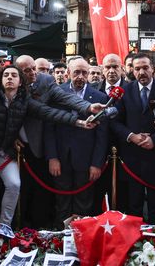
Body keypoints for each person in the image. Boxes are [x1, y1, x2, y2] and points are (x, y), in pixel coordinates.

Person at [0, 65, 94, 226]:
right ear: (0, 80)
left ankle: (4, 229)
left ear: (21, 81)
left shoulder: (24, 101)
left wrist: (78, 122)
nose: (9, 78)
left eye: (14, 75)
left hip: (5, 154)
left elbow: (49, 112)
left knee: (14, 185)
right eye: (6, 75)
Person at [14, 55, 104, 229]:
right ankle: (53, 235)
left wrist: (87, 107)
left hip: (82, 158)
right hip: (31, 150)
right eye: (27, 70)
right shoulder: (8, 86)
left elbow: (63, 101)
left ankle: (81, 234)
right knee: (48, 197)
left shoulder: (47, 82)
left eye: (34, 68)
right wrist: (52, 156)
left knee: (82, 200)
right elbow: (48, 116)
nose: (34, 73)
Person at [110, 53, 155, 226]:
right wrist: (132, 136)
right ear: (132, 71)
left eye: (145, 67)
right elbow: (114, 121)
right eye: (137, 69)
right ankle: (135, 242)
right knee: (133, 204)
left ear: (153, 68)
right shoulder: (125, 91)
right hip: (132, 158)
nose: (142, 72)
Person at [44, 58, 109, 227]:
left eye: (84, 73)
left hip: (86, 160)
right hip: (60, 158)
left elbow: (102, 136)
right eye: (76, 72)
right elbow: (49, 127)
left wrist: (96, 163)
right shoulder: (57, 93)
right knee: (62, 201)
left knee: (84, 202)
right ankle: (61, 239)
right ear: (68, 73)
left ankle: (81, 238)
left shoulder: (100, 97)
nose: (80, 76)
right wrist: (52, 157)